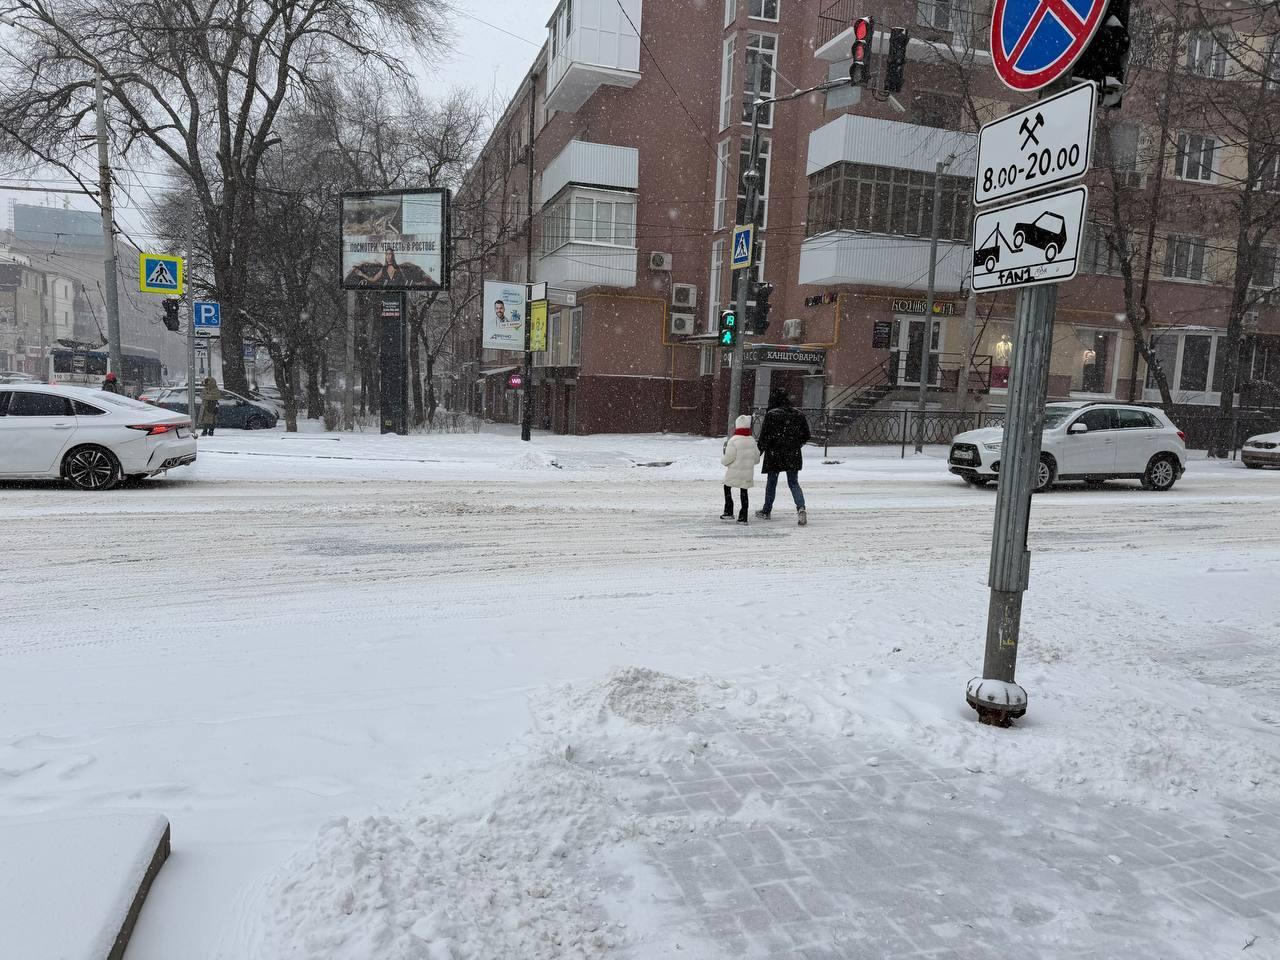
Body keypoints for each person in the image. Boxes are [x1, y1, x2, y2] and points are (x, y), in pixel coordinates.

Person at [755, 388, 811, 526]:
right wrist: (796, 444)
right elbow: (806, 435)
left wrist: (758, 452)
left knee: (771, 482)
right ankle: (801, 508)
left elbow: (764, 437)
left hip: (774, 454)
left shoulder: (771, 415)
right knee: (793, 483)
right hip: (792, 453)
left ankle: (767, 510)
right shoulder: (798, 414)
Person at [720, 414, 760, 524]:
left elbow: (729, 457)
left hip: (734, 472)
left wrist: (723, 461)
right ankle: (743, 516)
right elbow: (757, 459)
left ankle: (728, 511)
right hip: (747, 473)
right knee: (744, 492)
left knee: (727, 487)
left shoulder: (733, 440)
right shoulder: (752, 440)